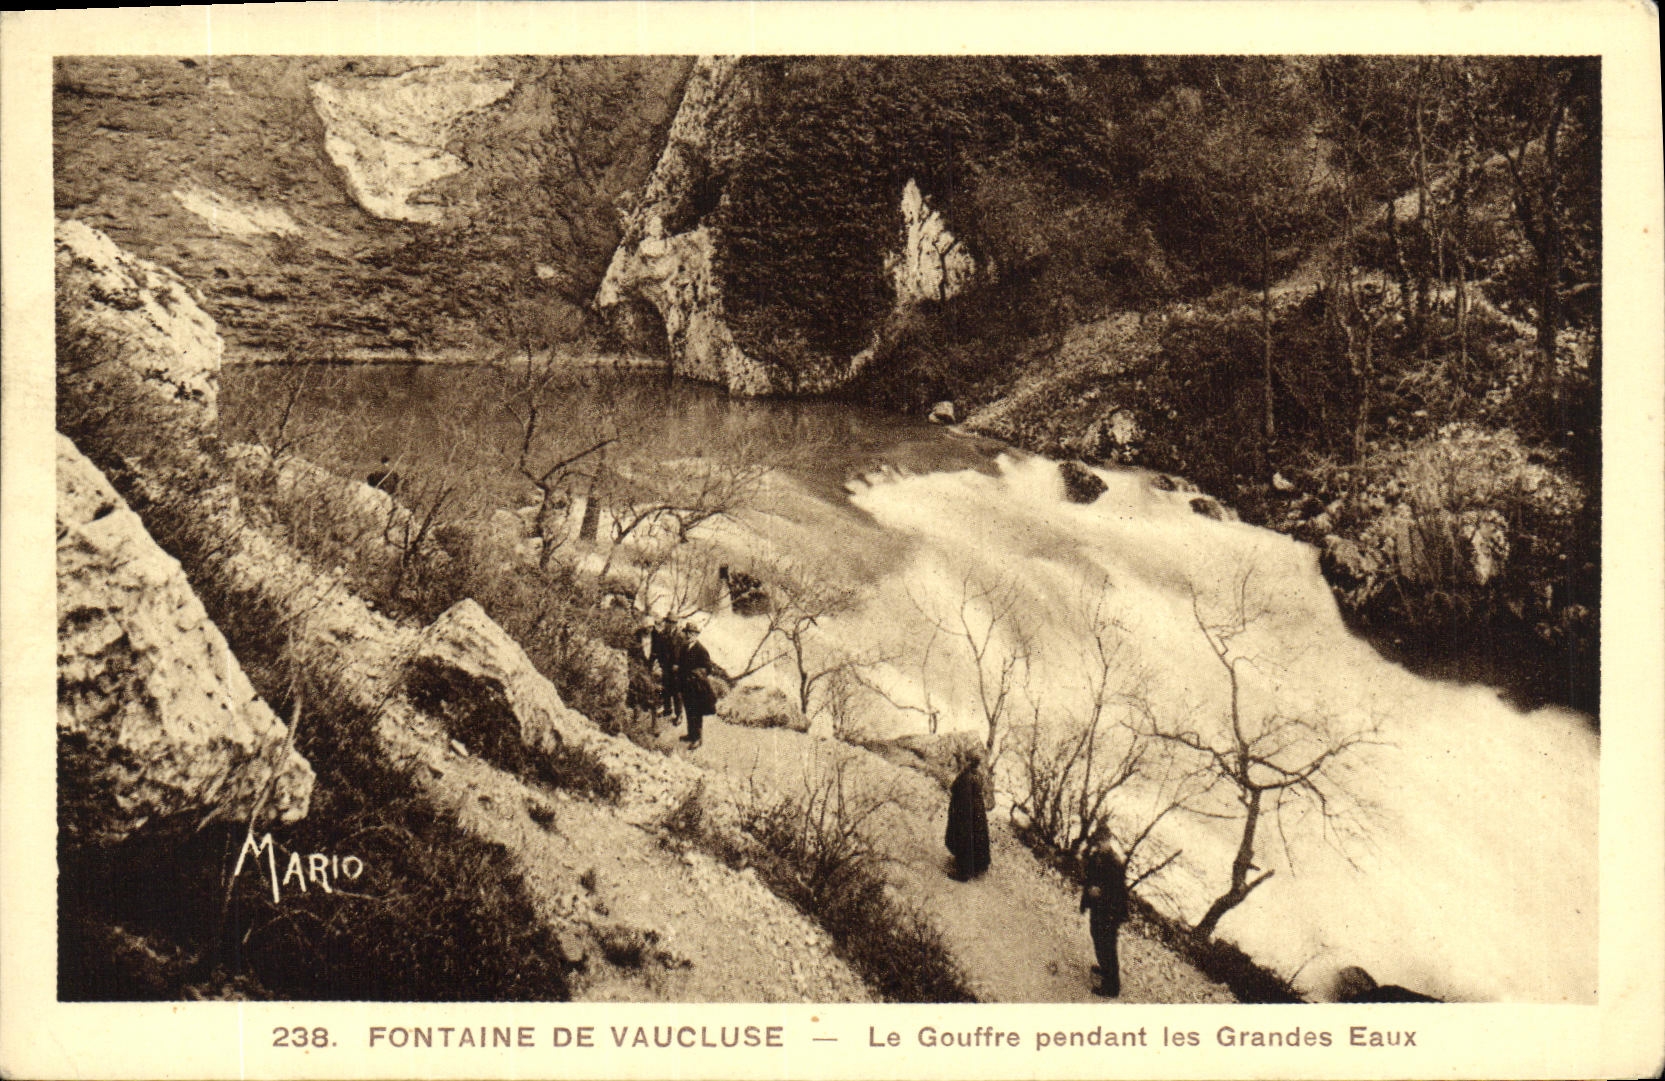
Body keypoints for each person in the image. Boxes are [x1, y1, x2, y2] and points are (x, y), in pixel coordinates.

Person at [1081, 828, 1129, 998]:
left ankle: (1111, 987)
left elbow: (1119, 894)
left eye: (1103, 841)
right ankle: (1104, 968)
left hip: (1110, 912)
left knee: (1107, 946)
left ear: (1109, 841)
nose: (1100, 844)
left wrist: (1100, 893)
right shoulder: (1097, 857)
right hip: (1098, 908)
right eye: (1098, 841)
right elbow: (1089, 879)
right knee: (1097, 938)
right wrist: (1087, 899)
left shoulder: (1115, 863)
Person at [944, 755, 991, 881]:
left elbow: (961, 794)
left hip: (966, 813)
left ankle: (964, 872)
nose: (962, 761)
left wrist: (961, 815)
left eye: (965, 759)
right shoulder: (976, 775)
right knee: (975, 838)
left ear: (969, 762)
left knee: (965, 838)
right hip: (976, 813)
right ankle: (976, 867)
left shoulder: (967, 777)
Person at [676, 622, 721, 748]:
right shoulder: (684, 648)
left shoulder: (701, 650)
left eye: (692, 633)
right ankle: (691, 734)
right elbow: (681, 664)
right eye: (688, 633)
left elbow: (707, 668)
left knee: (697, 712)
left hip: (696, 686)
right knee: (689, 710)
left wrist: (696, 673)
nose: (690, 635)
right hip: (685, 685)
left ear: (696, 635)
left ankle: (698, 739)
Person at [648, 615, 684, 726]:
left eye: (673, 622)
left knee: (677, 692)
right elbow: (659, 649)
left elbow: (684, 653)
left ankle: (679, 715)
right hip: (666, 666)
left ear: (676, 623)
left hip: (677, 668)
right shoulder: (662, 634)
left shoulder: (680, 636)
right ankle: (667, 710)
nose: (670, 624)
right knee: (666, 688)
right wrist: (657, 661)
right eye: (668, 622)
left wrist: (678, 664)